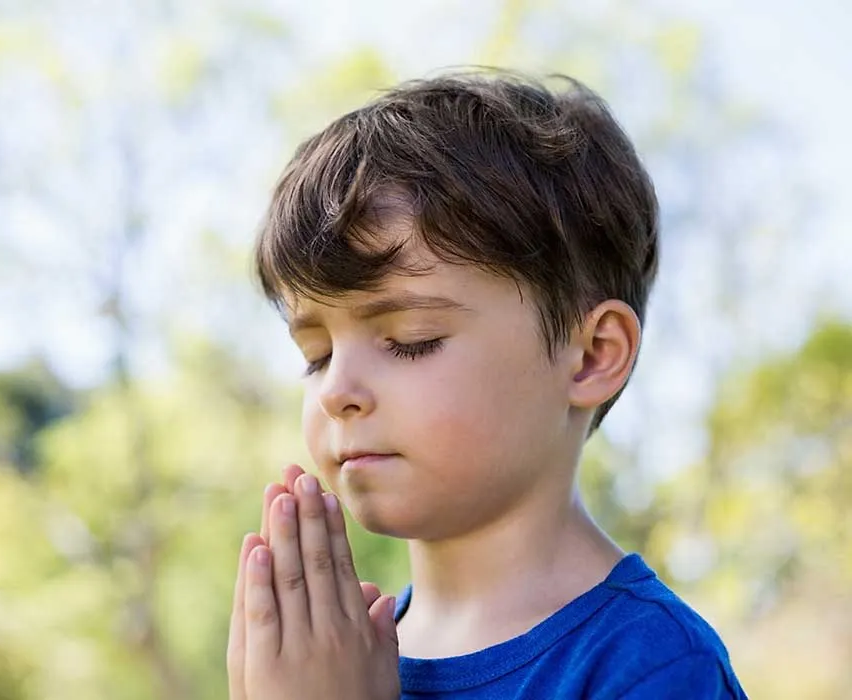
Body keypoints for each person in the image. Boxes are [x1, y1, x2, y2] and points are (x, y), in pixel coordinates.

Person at [226, 70, 748, 699]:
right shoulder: (329, 661)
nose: (337, 390)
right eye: (315, 354)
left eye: (410, 338)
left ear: (590, 356)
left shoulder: (654, 668)